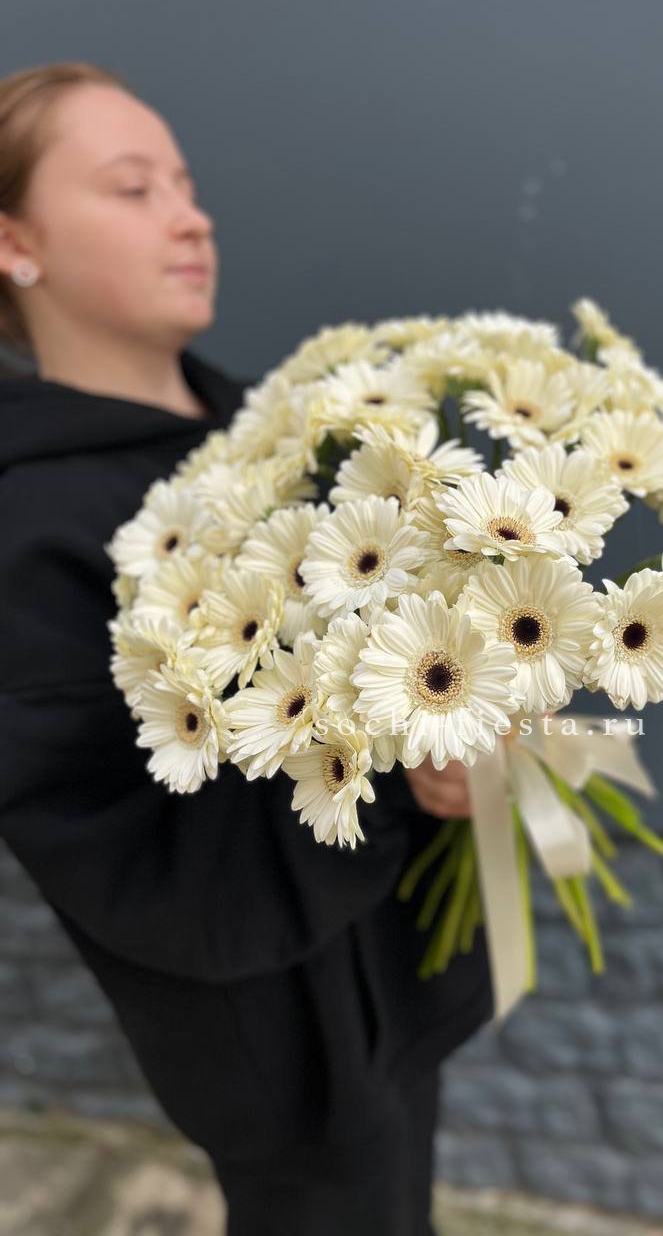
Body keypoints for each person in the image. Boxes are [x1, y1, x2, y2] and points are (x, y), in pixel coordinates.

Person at [0, 61, 494, 1236]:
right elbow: (126, 843)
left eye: (186, 184)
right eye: (133, 188)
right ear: (15, 243)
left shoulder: (280, 440)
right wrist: (388, 772)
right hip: (283, 1052)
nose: (192, 217)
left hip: (397, 968)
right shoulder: (30, 525)